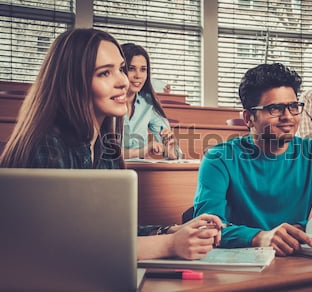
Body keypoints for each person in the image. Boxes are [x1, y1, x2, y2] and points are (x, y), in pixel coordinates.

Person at [0, 28, 220, 260]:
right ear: (72, 83)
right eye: (105, 73)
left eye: (121, 69)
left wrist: (171, 230)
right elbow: (62, 248)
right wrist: (167, 245)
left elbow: (107, 233)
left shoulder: (106, 150)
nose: (124, 81)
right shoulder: (47, 146)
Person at [193, 62, 312, 257]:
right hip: (241, 265)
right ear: (248, 118)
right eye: (275, 109)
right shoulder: (219, 159)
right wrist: (259, 237)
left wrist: (304, 228)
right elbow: (206, 229)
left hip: (296, 262)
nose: (288, 117)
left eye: (293, 106)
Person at [121, 42, 181, 160]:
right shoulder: (105, 102)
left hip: (139, 173)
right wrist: (141, 151)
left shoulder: (148, 103)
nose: (138, 75)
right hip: (108, 173)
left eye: (143, 70)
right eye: (131, 69)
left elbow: (175, 153)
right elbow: (101, 153)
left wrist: (171, 151)